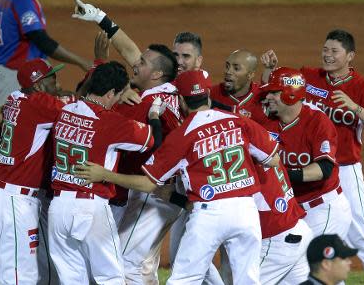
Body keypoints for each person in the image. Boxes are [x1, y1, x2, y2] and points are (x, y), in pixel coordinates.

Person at [76, 70, 281, 284]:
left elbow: (147, 183)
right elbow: (273, 160)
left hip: (209, 214)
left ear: (181, 100)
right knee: (248, 280)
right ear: (208, 96)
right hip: (246, 211)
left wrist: (106, 174)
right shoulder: (239, 121)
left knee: (183, 280)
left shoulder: (183, 135)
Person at [261, 30, 364, 284]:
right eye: (325, 49)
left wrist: (355, 107)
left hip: (344, 168)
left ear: (350, 56)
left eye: (334, 51)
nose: (327, 55)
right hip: (309, 165)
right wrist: (271, 71)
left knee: (360, 233)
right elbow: (274, 95)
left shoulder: (361, 88)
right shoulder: (308, 77)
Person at [72, 0, 184, 284]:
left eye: (142, 64)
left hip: (155, 191)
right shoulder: (163, 89)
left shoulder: (146, 102)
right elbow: (133, 52)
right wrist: (100, 17)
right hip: (161, 190)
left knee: (126, 263)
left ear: (156, 74)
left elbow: (96, 109)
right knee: (143, 264)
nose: (135, 63)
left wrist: (113, 91)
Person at [48, 61, 161, 284]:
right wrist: (155, 113)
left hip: (58, 208)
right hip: (90, 208)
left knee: (71, 279)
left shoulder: (65, 111)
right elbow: (152, 139)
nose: (119, 99)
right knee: (111, 277)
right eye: (119, 95)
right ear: (111, 93)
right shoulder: (109, 121)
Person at [0, 59, 64, 285]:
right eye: (52, 78)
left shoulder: (15, 99)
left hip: (3, 194)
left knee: (20, 271)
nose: (57, 82)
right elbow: (78, 113)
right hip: (13, 200)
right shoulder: (39, 104)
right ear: (38, 86)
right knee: (19, 276)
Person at [258, 67, 352, 239]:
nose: (268, 97)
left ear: (290, 94)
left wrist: (284, 175)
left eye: (274, 93)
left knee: (316, 265)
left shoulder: (317, 121)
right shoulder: (268, 123)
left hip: (323, 210)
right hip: (293, 210)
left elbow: (323, 169)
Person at [0, 0, 91, 105]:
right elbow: (41, 40)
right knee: (7, 124)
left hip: (5, 74)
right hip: (15, 77)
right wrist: (81, 61)